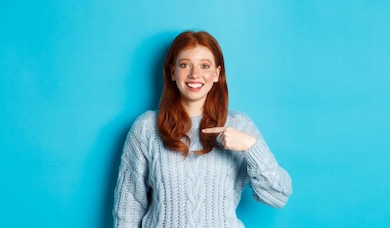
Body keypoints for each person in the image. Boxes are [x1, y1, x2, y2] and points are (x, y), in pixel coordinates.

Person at [113, 30, 292, 227]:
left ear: (217, 74)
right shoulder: (146, 128)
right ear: (172, 72)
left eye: (204, 66)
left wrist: (251, 147)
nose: (195, 74)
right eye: (185, 65)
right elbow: (128, 208)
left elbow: (278, 195)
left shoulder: (239, 125)